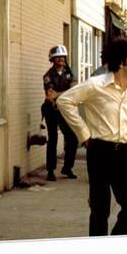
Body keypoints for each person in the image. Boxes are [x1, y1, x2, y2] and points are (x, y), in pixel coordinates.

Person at [56, 38, 127, 236]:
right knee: (99, 210)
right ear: (122, 62)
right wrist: (84, 133)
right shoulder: (96, 85)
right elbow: (65, 101)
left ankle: (116, 247)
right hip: (100, 153)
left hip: (126, 153)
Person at [42, 45, 79, 181]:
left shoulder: (69, 72)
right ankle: (50, 170)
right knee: (52, 139)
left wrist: (60, 94)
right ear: (52, 60)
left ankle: (67, 168)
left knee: (72, 139)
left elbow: (75, 89)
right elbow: (51, 95)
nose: (61, 60)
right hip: (51, 110)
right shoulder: (48, 76)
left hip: (65, 110)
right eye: (58, 58)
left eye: (63, 57)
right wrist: (64, 93)